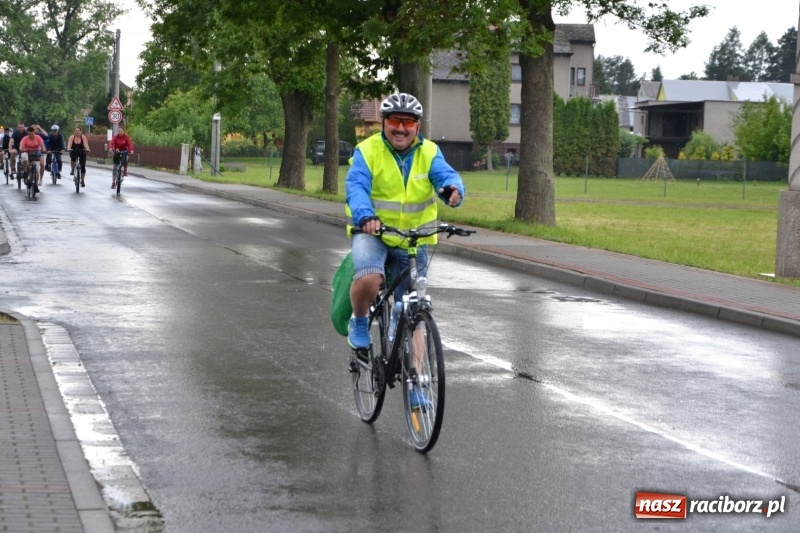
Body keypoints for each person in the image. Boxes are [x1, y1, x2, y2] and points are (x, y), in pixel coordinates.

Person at [344, 92, 465, 405]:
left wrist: (453, 190)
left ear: (418, 125)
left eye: (407, 122)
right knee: (370, 279)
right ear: (383, 123)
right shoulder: (367, 151)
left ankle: (417, 388)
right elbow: (356, 187)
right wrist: (365, 215)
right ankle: (359, 321)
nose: (401, 128)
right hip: (373, 232)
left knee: (415, 309)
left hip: (412, 239)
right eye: (394, 121)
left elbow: (445, 176)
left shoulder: (429, 152)